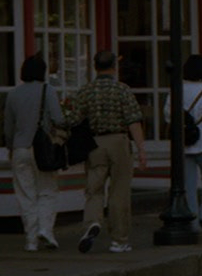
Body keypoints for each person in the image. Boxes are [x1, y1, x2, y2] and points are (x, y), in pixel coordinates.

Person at [68, 51, 146, 254]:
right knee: (119, 192)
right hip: (119, 141)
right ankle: (119, 240)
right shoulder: (122, 90)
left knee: (94, 189)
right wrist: (141, 149)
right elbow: (133, 121)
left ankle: (92, 222)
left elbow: (74, 120)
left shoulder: (85, 91)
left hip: (95, 143)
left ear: (95, 67)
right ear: (114, 67)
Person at [4, 54, 65, 252]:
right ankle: (46, 229)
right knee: (47, 190)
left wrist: (11, 148)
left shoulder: (13, 94)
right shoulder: (49, 91)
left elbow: (8, 128)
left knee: (25, 194)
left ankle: (31, 240)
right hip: (43, 149)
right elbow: (58, 118)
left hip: (20, 148)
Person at [163, 55, 202, 234]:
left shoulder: (176, 89)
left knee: (188, 184)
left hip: (184, 142)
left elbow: (168, 116)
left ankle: (193, 220)